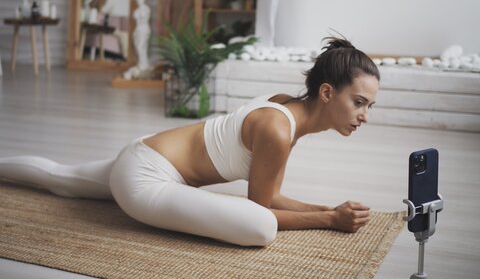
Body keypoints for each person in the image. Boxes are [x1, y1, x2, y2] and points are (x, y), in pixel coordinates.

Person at [0, 37, 380, 247]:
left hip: (145, 152)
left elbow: (270, 194)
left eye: (369, 106)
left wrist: (330, 209)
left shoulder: (287, 105)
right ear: (328, 92)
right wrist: (330, 218)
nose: (364, 115)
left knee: (59, 178)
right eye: (359, 103)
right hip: (145, 181)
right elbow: (262, 209)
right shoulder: (277, 130)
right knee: (261, 229)